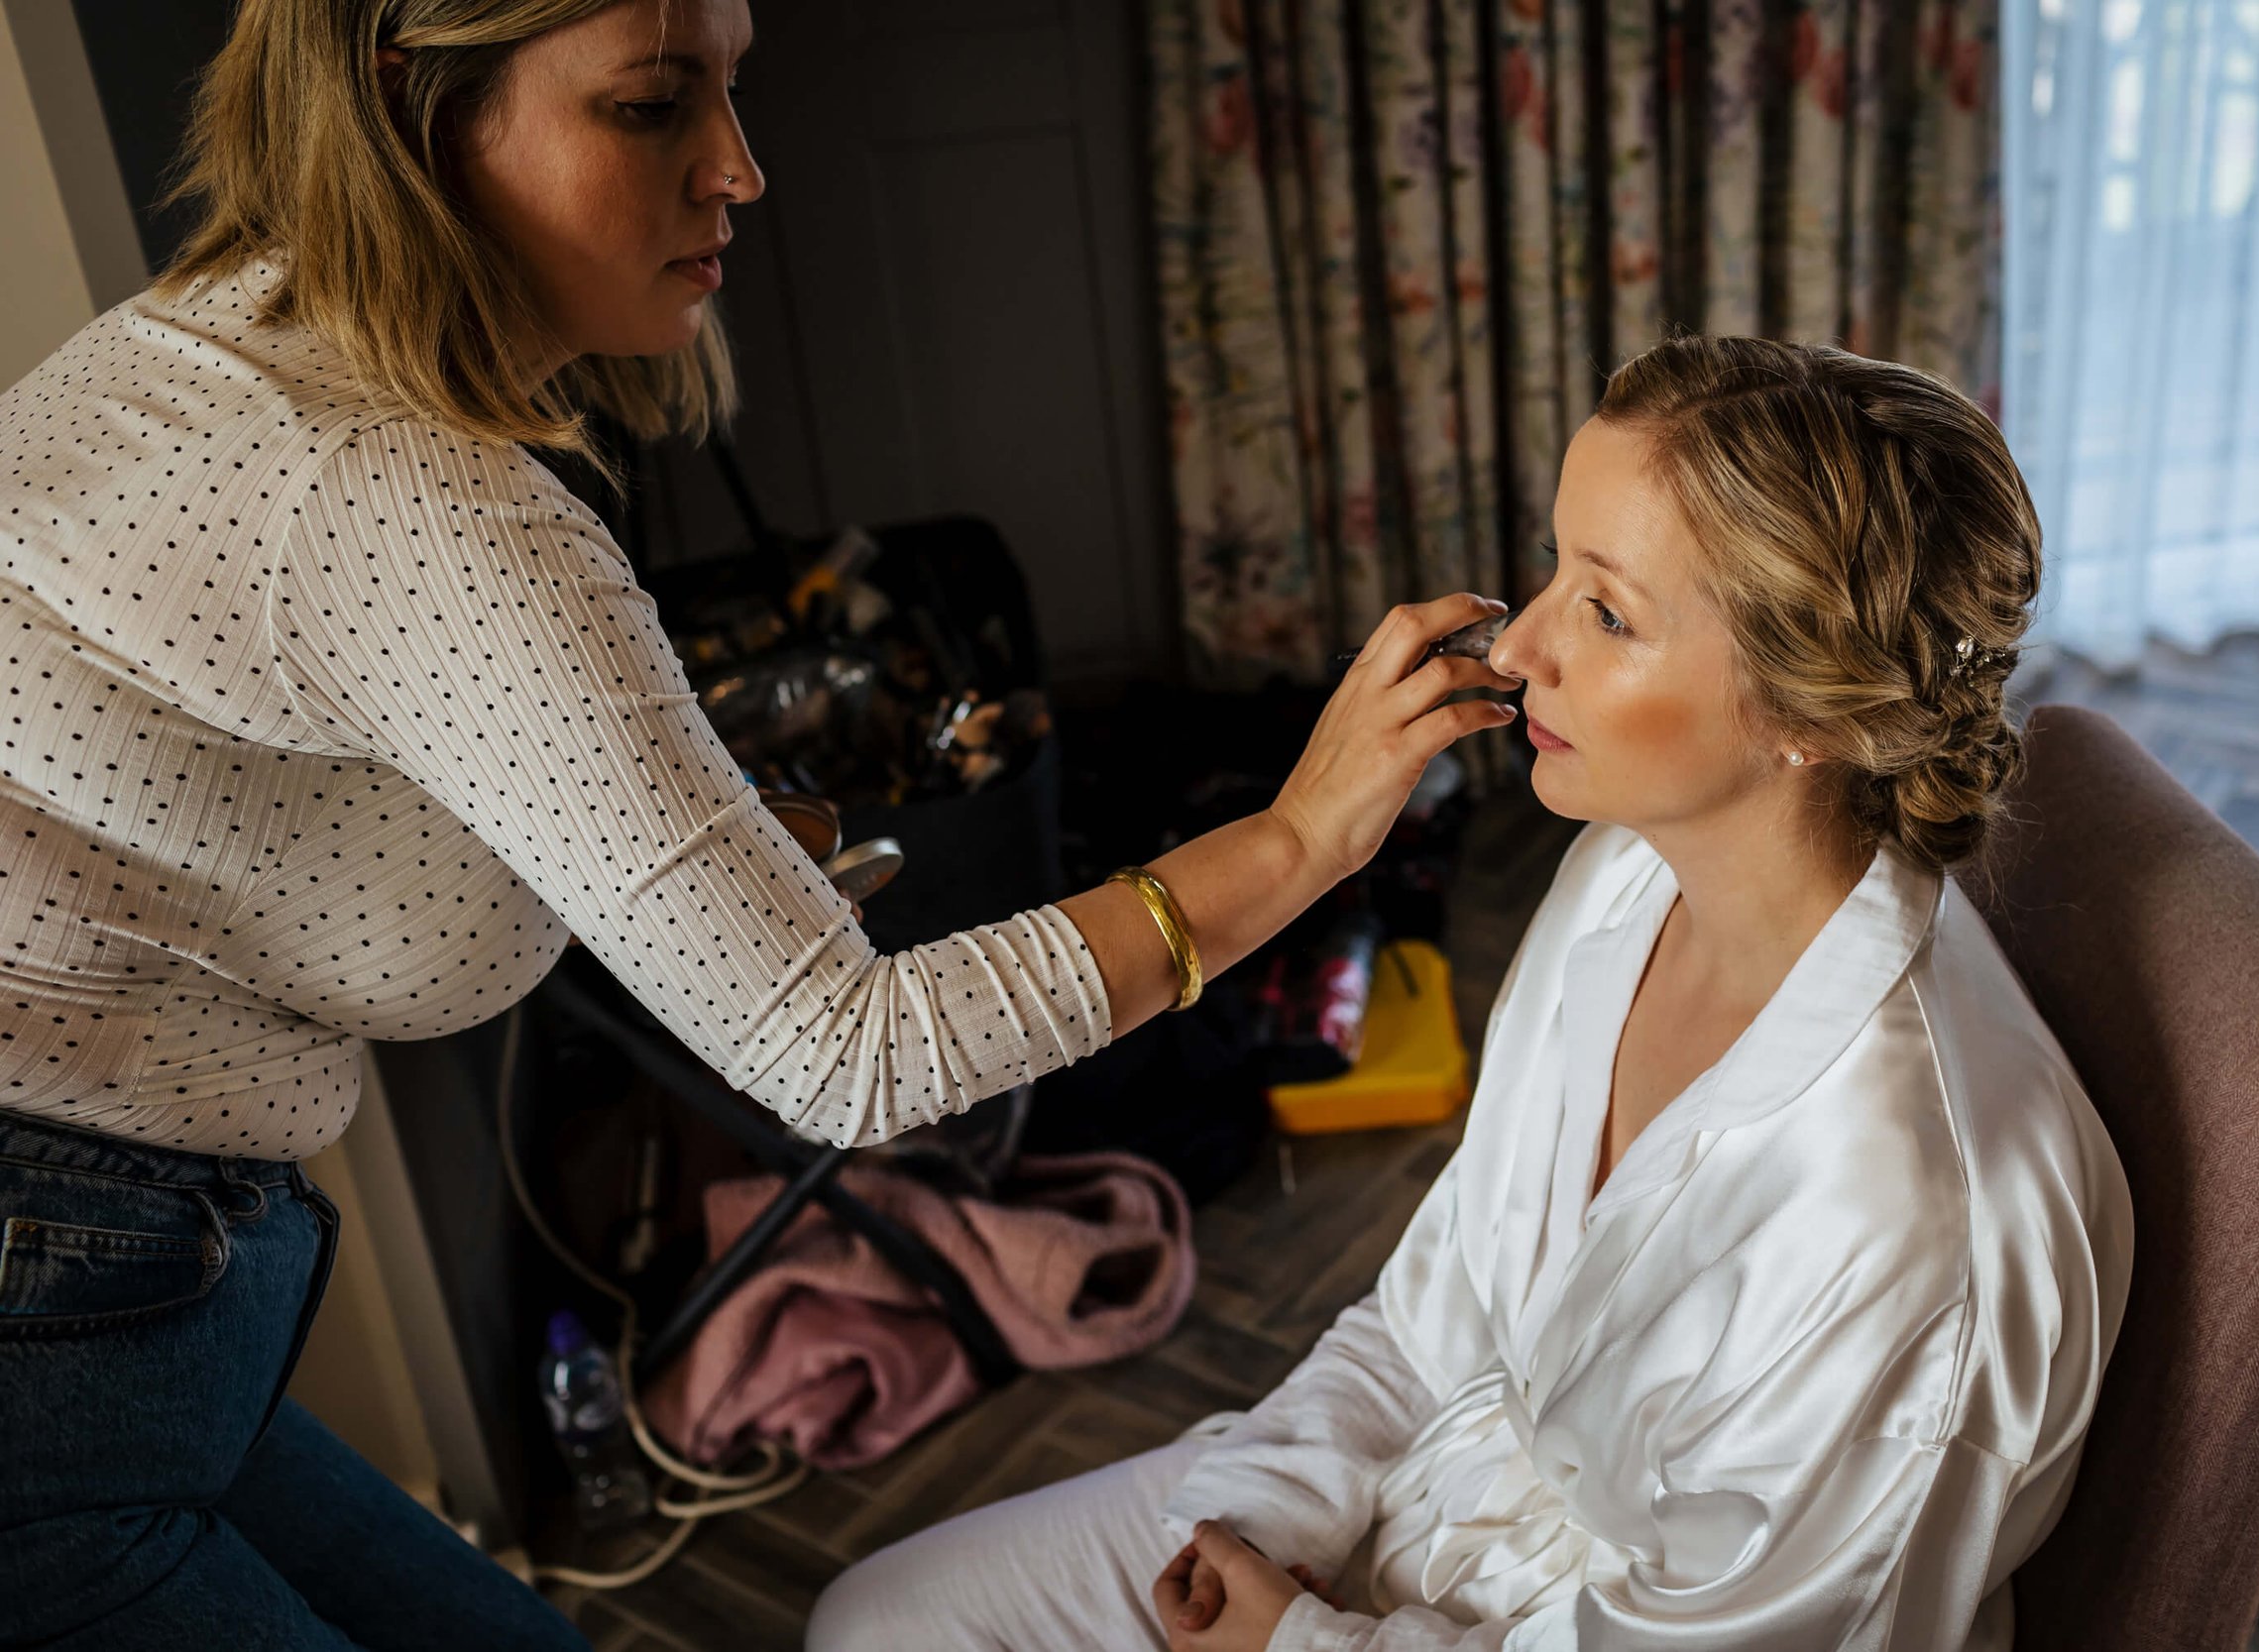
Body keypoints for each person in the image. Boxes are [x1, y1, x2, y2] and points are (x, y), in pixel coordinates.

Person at [0, 2, 1521, 1647]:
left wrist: (659, 856)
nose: (740, 168)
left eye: (734, 86)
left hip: (145, 1309)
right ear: (414, 103)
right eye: (656, 105)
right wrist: (1298, 842)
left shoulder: (228, 332)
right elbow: (847, 1058)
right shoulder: (404, 493)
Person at [804, 335, 2138, 1651]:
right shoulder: (1620, 882)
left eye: (1608, 612)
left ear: (1809, 714)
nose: (1519, 646)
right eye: (1557, 567)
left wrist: (1301, 1648)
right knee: (873, 1622)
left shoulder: (1910, 1220)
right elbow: (1441, 1305)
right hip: (1423, 1500)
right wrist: (1272, 1511)